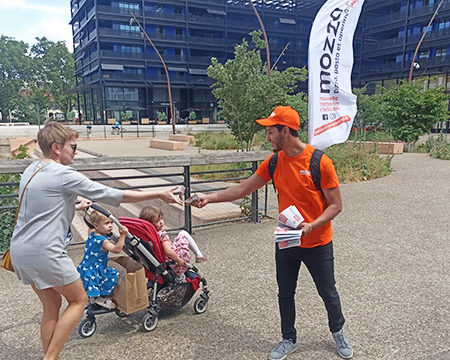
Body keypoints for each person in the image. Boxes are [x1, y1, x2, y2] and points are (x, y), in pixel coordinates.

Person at [188, 106, 352, 360]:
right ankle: (288, 338)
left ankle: (338, 330)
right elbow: (243, 189)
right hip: (287, 239)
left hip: (318, 241)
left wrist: (312, 225)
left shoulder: (319, 162)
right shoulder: (274, 162)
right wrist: (208, 197)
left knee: (327, 291)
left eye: (271, 132)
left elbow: (336, 205)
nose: (268, 137)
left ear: (285, 131)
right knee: (285, 292)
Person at [10, 122, 182, 360]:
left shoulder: (32, 170)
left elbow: (42, 207)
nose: (76, 151)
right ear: (56, 147)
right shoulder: (63, 174)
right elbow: (110, 194)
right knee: (78, 300)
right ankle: (50, 358)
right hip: (45, 252)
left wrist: (74, 205)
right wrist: (159, 193)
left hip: (20, 250)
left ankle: (50, 356)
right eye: (73, 146)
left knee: (51, 306)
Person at [77, 210, 128, 309]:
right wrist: (123, 236)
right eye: (107, 223)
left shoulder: (91, 233)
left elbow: (90, 227)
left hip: (86, 266)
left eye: (111, 222)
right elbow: (116, 249)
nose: (111, 226)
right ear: (96, 225)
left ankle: (90, 297)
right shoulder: (103, 241)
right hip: (97, 269)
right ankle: (101, 298)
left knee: (91, 282)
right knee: (112, 276)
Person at [139, 206, 207, 276]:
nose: (161, 222)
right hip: (174, 261)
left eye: (161, 219)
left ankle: (198, 255)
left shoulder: (147, 237)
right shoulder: (162, 235)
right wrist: (179, 260)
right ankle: (198, 254)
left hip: (160, 263)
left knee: (178, 238)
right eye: (157, 221)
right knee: (183, 233)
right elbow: (168, 252)